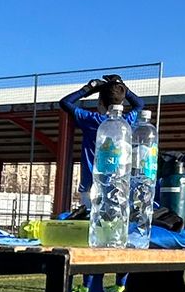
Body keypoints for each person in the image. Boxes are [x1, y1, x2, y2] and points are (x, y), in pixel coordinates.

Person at [59, 75, 144, 212]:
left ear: (100, 103)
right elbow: (139, 104)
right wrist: (122, 88)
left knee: (92, 223)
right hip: (118, 185)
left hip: (91, 185)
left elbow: (65, 102)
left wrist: (88, 89)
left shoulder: (92, 120)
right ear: (121, 105)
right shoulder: (126, 121)